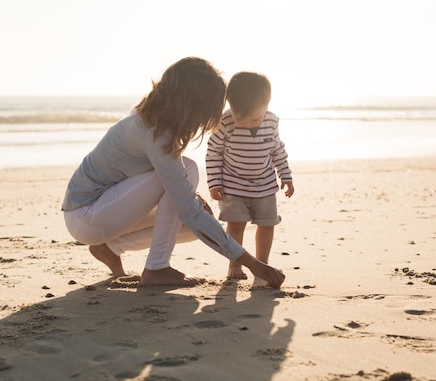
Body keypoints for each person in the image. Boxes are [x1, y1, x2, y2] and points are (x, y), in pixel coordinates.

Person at [61, 57, 285, 288]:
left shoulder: (153, 120)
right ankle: (156, 268)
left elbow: (169, 195)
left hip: (102, 214)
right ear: (192, 104)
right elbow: (185, 203)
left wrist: (190, 202)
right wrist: (253, 264)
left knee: (192, 224)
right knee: (188, 177)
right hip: (86, 214)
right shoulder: (154, 134)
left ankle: (109, 247)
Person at [206, 71, 294, 280]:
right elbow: (213, 153)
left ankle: (262, 264)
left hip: (265, 186)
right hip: (232, 186)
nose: (249, 124)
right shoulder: (225, 122)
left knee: (267, 223)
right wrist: (214, 182)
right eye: (242, 120)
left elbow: (277, 150)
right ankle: (234, 264)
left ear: (267, 105)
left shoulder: (271, 121)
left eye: (255, 118)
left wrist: (286, 176)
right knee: (236, 225)